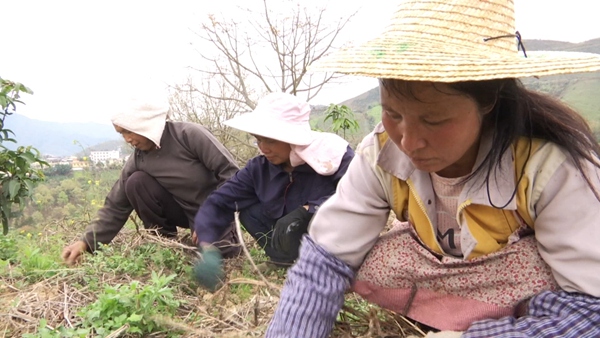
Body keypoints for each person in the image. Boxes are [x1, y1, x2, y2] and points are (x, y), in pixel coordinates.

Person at [265, 0, 600, 337]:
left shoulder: (549, 166)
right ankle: (445, 318)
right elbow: (323, 261)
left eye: (434, 120)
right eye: (393, 115)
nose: (409, 143)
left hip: (532, 299)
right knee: (357, 259)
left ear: (489, 101)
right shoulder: (381, 153)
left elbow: (591, 309)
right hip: (451, 278)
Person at [191, 92, 354, 282]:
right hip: (285, 236)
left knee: (305, 220)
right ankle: (283, 261)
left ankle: (325, 267)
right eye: (258, 140)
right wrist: (208, 241)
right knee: (249, 211)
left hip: (330, 239)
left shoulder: (333, 156)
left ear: (293, 138)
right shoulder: (259, 169)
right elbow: (220, 202)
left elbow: (356, 196)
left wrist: (310, 210)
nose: (263, 148)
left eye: (270, 141)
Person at [61, 99, 241, 266]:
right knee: (136, 182)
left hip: (211, 209)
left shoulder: (189, 135)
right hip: (180, 210)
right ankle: (165, 244)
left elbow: (232, 174)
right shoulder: (139, 158)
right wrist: (86, 242)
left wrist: (212, 218)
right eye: (121, 133)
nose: (127, 139)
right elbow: (116, 205)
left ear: (145, 124)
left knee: (222, 257)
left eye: (129, 131)